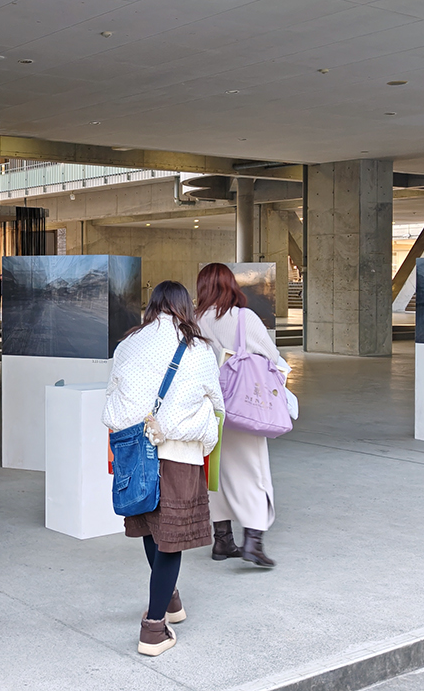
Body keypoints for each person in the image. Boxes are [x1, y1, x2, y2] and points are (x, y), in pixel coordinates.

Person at [103, 280, 224, 658]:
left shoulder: (128, 344)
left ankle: (169, 599)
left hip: (137, 452)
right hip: (180, 455)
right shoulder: (199, 349)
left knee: (150, 527)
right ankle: (154, 629)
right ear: (185, 307)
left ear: (152, 305)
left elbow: (112, 397)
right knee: (171, 538)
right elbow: (217, 404)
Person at [194, 263, 291, 569]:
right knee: (254, 471)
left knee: (217, 474)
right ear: (230, 285)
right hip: (244, 406)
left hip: (210, 408)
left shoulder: (195, 320)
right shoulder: (243, 318)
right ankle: (253, 541)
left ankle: (222, 540)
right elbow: (271, 356)